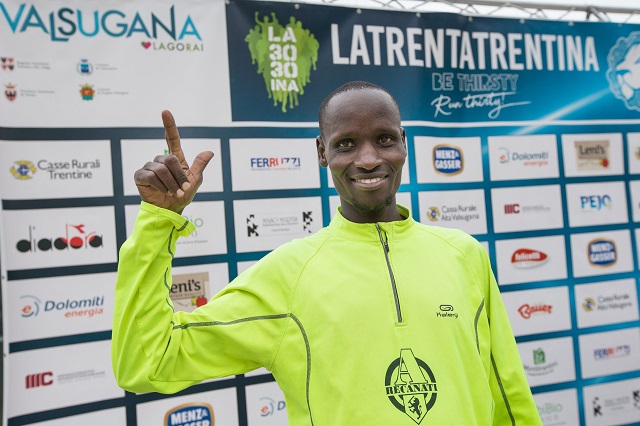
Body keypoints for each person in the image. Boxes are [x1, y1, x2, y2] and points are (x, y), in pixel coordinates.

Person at [112, 81, 542, 425]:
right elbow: (148, 361)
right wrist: (158, 221)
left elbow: (507, 391)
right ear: (322, 152)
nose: (369, 159)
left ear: (404, 144)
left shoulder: (463, 254)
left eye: (384, 139)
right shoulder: (288, 273)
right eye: (346, 144)